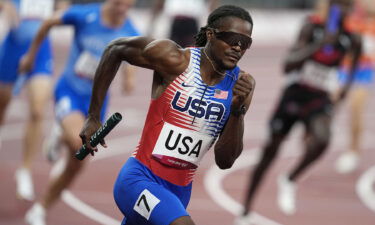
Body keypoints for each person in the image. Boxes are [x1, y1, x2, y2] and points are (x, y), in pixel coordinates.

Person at [79, 5, 255, 225]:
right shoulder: (175, 59)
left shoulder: (241, 86)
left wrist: (238, 111)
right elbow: (115, 49)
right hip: (139, 178)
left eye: (245, 43)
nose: (237, 47)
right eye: (231, 38)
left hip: (179, 192)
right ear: (210, 34)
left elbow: (225, 161)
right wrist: (93, 116)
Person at [235, 0, 362, 223]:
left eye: (345, 6)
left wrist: (341, 94)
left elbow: (351, 72)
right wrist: (319, 44)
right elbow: (287, 65)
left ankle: (290, 178)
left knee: (323, 139)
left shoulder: (353, 39)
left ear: (351, 10)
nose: (340, 11)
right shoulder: (311, 28)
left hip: (319, 99)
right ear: (329, 7)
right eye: (336, 5)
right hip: (294, 95)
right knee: (269, 152)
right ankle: (245, 211)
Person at [18, 0, 140, 224]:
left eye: (128, 6)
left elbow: (131, 56)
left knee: (79, 161)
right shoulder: (85, 15)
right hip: (70, 90)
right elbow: (47, 23)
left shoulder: (129, 30)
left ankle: (41, 208)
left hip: (97, 103)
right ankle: (62, 130)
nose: (122, 10)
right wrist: (31, 55)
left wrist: (129, 77)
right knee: (77, 144)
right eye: (119, 4)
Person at [0, 0, 57, 201]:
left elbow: (65, 10)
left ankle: (25, 169)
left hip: (41, 54)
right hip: (11, 51)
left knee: (37, 111)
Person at [335, 0, 375, 173]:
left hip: (364, 70)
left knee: (356, 108)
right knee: (326, 105)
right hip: (343, 67)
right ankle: (312, 140)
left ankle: (353, 151)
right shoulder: (346, 11)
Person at [148, 0, 219, 47]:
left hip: (191, 22)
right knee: (172, 50)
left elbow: (213, 3)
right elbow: (159, 3)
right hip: (176, 22)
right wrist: (152, 25)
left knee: (191, 51)